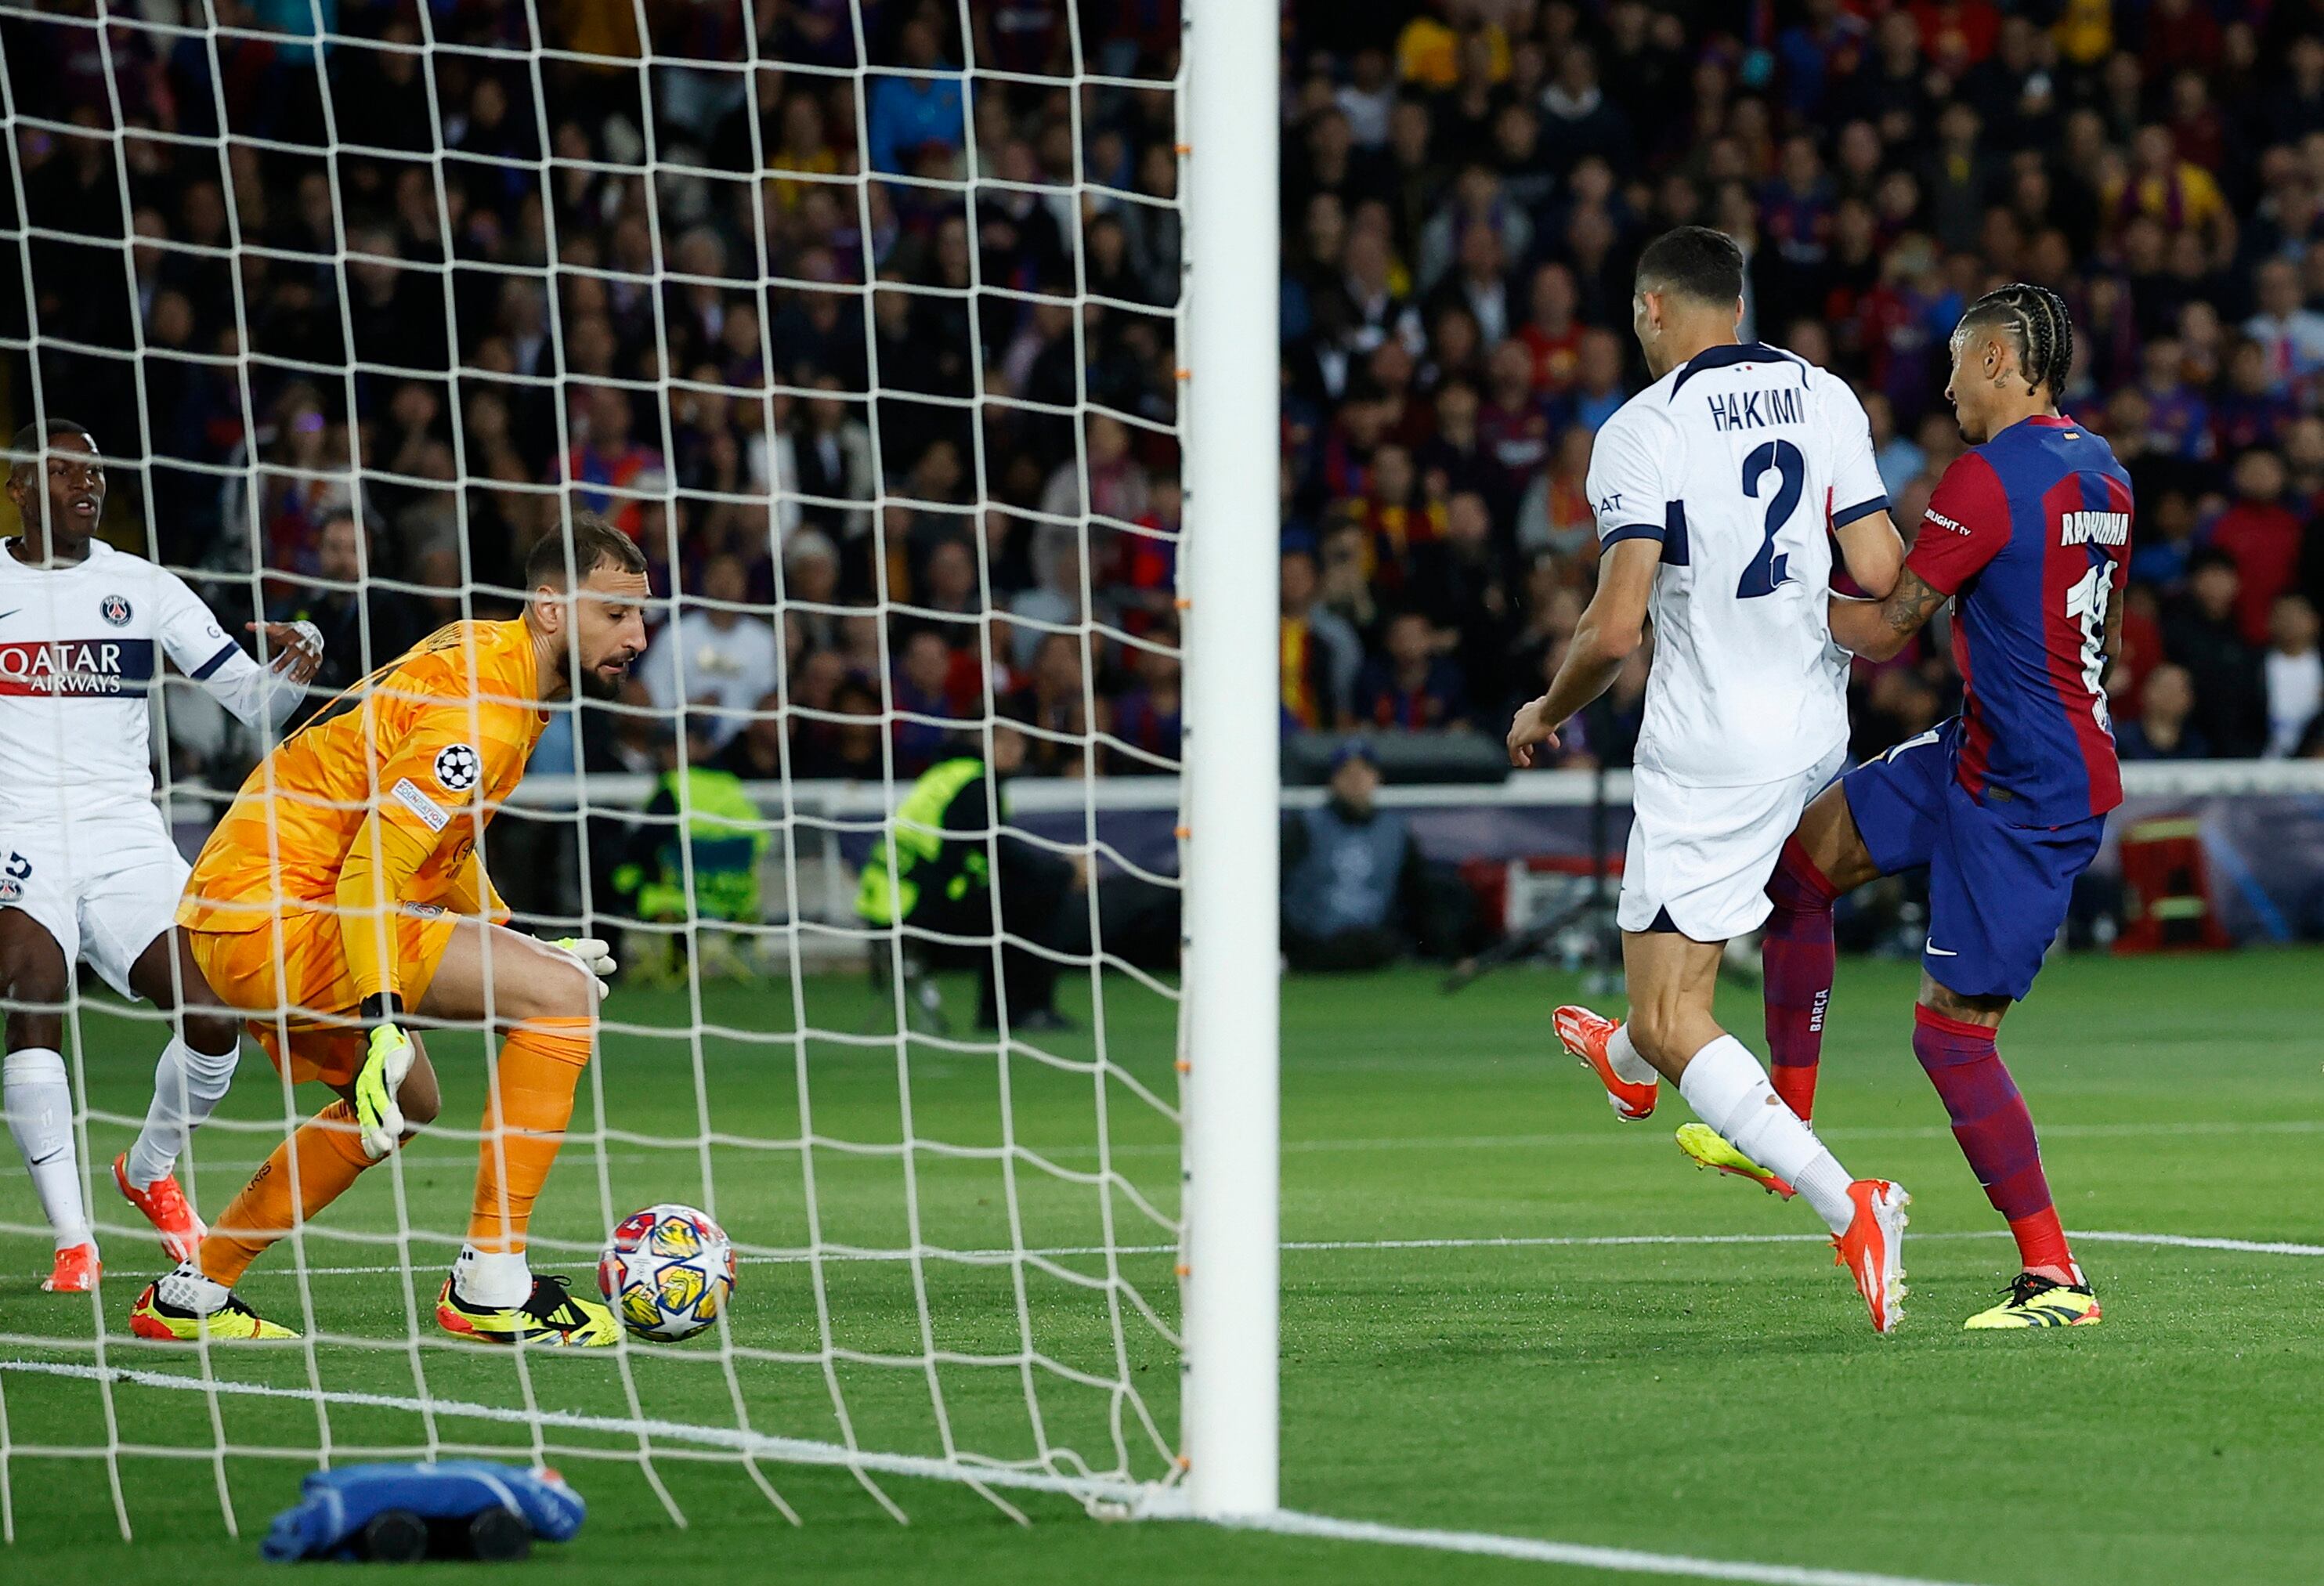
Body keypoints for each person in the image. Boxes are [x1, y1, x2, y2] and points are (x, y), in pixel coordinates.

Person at [1504, 226, 1915, 1332]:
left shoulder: (1643, 428)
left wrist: (1544, 711)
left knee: (1675, 1010)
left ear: (1649, 312)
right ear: (1734, 304)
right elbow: (1878, 573)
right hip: (1810, 726)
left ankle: (1848, 1201)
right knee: (1657, 1004)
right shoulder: (1822, 394)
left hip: (1710, 745)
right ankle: (1619, 1051)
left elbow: (1614, 627)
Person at [1719, 284, 2132, 1331]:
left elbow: (1887, 626)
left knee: (1952, 1039)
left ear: (1997, 359)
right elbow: (2106, 638)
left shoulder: (1986, 478)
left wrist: (1761, 599)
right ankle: (1784, 1123)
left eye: (1952, 361)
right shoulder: (2103, 473)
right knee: (1795, 872)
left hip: (2022, 796)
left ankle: (2055, 1279)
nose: (1940, 384)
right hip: (1984, 750)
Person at [128, 514, 649, 1344]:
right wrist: (382, 1016)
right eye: (615, 613)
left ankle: (193, 1293)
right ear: (552, 609)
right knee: (562, 1001)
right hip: (280, 909)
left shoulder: (493, 660)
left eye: (640, 614)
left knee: (407, 1103)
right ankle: (491, 1284)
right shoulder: (483, 711)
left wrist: (511, 935)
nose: (638, 635)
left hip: (238, 911)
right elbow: (375, 864)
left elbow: (439, 844)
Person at [0, 421, 323, 1294]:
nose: (88, 483)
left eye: (97, 470)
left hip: (124, 836)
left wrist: (295, 665)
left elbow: (251, 699)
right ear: (20, 484)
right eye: (64, 468)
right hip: (19, 832)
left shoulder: (141, 587)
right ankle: (74, 1242)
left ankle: (146, 1172)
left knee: (216, 1013)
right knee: (32, 998)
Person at [852, 725, 1078, 1033]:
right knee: (1038, 894)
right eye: (1004, 741)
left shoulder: (949, 775)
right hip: (914, 908)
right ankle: (1027, 1009)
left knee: (1012, 896)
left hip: (890, 903)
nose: (1016, 750)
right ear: (981, 742)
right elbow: (998, 850)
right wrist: (1064, 870)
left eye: (1019, 742)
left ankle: (1001, 1012)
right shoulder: (974, 782)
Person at [1280, 740, 1429, 971]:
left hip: (1373, 942)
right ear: (1334, 780)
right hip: (1313, 944)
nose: (1356, 780)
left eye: (1364, 772)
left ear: (1376, 778)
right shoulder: (1304, 827)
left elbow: (1417, 891)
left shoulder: (1395, 832)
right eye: (1347, 773)